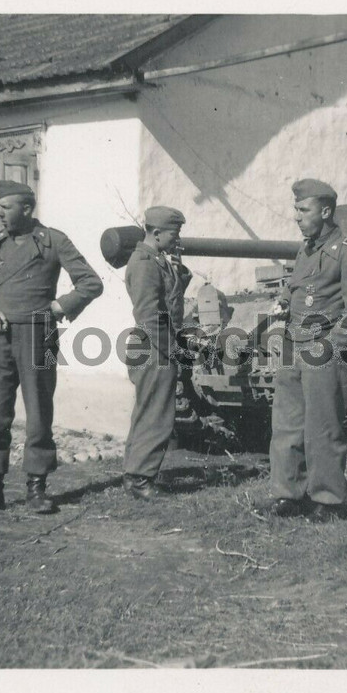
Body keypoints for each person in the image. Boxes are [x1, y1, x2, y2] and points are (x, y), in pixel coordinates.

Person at [0, 180, 104, 515]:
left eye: (5, 208)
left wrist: (60, 307)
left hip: (38, 334)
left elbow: (91, 282)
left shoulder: (53, 241)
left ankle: (37, 488)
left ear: (26, 209)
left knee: (39, 413)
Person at [266, 179, 347, 522]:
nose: (296, 216)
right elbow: (298, 286)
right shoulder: (307, 249)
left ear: (325, 211)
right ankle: (289, 495)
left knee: (323, 427)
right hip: (293, 345)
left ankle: (329, 500)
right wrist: (282, 301)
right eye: (295, 209)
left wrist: (333, 347)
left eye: (303, 210)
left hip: (323, 346)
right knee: (287, 425)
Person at [122, 206, 193, 499]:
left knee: (149, 410)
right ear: (157, 233)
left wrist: (181, 272)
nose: (178, 239)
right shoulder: (144, 263)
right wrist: (174, 350)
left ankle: (136, 475)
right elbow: (150, 314)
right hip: (153, 345)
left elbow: (170, 299)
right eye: (175, 233)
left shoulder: (157, 260)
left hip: (156, 343)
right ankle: (140, 479)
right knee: (156, 414)